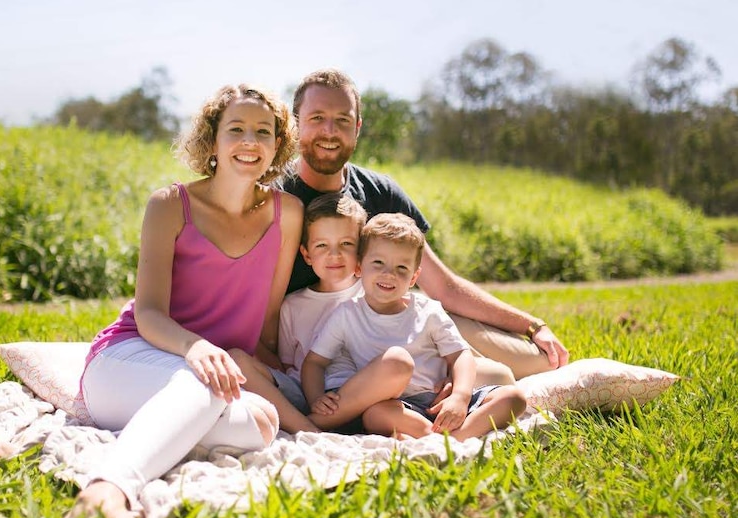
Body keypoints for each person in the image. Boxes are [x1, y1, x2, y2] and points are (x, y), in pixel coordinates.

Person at [65, 84, 302, 518]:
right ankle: (106, 493)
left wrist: (276, 371)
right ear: (212, 141)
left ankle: (142, 449)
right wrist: (196, 349)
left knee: (262, 421)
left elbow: (267, 315)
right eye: (236, 129)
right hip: (126, 362)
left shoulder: (286, 213)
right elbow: (150, 312)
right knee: (210, 380)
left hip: (208, 378)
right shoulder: (170, 205)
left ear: (277, 145)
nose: (250, 141)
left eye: (263, 132)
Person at [282, 68, 570, 383]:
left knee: (544, 364)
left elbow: (443, 286)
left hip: (393, 330)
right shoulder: (274, 195)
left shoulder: (380, 192)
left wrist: (531, 325)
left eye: (342, 120)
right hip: (316, 349)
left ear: (357, 127)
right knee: (496, 378)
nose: (330, 131)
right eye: (317, 118)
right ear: (295, 125)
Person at [301, 213, 528, 440]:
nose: (389, 274)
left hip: (438, 400)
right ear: (359, 267)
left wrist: (460, 396)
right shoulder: (347, 314)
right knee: (375, 414)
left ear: (413, 278)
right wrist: (316, 398)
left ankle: (451, 439)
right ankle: (442, 439)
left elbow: (460, 356)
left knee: (514, 397)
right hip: (396, 406)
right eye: (378, 263)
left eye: (401, 268)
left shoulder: (428, 311)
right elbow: (314, 362)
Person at [237, 193, 415, 433]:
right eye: (322, 245)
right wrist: (314, 398)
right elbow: (288, 365)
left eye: (346, 244)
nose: (335, 255)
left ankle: (313, 427)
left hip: (366, 397)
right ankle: (308, 427)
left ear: (361, 252)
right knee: (237, 359)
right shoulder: (293, 306)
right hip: (307, 398)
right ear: (307, 254)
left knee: (395, 364)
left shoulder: (376, 292)